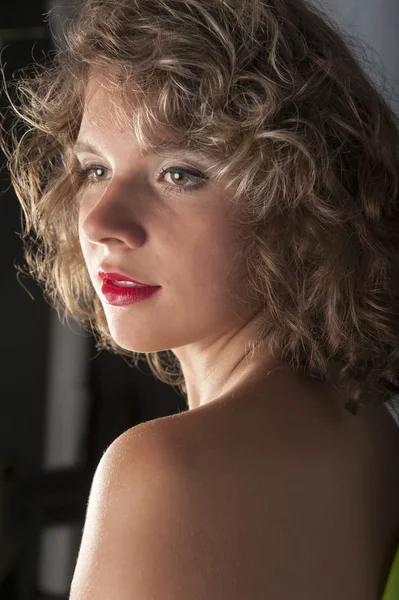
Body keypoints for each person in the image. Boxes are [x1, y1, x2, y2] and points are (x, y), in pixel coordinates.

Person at [1, 0, 399, 597]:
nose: (103, 223)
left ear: (301, 199)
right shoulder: (369, 435)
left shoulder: (161, 471)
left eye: (180, 174)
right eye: (95, 170)